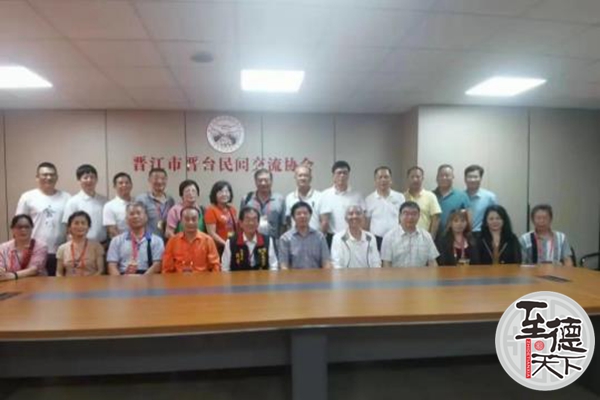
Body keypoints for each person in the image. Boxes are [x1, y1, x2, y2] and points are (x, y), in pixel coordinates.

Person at [16, 162, 70, 276]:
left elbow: (71, 226)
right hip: (33, 251)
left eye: (52, 175)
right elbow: (19, 225)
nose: (48, 178)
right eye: (44, 175)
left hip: (60, 251)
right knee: (35, 284)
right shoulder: (27, 197)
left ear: (57, 177)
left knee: (60, 284)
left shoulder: (67, 197)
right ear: (37, 177)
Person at [106, 202, 164, 275]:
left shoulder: (157, 240)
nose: (135, 216)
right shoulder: (116, 241)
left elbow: (157, 265)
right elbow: (111, 266)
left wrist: (142, 279)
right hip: (123, 277)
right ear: (126, 219)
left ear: (146, 217)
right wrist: (121, 280)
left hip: (149, 277)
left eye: (139, 213)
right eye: (131, 214)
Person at [319, 161, 365, 247]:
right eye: (339, 173)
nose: (342, 176)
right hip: (332, 237)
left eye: (345, 173)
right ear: (333, 176)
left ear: (348, 175)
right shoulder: (324, 195)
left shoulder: (357, 195)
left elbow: (362, 219)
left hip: (353, 237)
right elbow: (324, 222)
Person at [162, 207, 220, 273]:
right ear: (181, 221)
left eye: (194, 219)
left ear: (198, 221)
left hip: (202, 278)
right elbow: (167, 268)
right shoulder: (173, 241)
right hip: (179, 278)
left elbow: (215, 265)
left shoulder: (208, 240)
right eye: (186, 219)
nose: (190, 222)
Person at [381, 201, 439, 267]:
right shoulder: (389, 237)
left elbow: (432, 262)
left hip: (421, 273)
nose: (410, 217)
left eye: (414, 214)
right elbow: (386, 264)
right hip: (397, 273)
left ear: (419, 216)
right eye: (406, 213)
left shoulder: (426, 236)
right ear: (399, 216)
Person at [221, 206, 278, 271]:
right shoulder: (231, 242)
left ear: (258, 223)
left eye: (254, 220)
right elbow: (225, 268)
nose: (251, 223)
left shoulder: (268, 240)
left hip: (262, 277)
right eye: (247, 220)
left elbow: (273, 265)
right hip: (238, 277)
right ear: (240, 223)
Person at [62, 164, 108, 243]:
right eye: (85, 177)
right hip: (81, 244)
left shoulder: (104, 201)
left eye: (92, 177)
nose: (89, 180)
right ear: (79, 180)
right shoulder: (73, 202)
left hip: (103, 244)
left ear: (96, 179)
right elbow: (68, 227)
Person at [279, 202, 331, 269]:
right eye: (298, 214)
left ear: (310, 216)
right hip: (294, 275)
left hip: (316, 274)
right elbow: (284, 265)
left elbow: (326, 262)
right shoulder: (285, 238)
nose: (302, 216)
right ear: (293, 217)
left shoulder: (319, 237)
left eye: (305, 213)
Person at [365, 166, 405, 251]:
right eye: (380, 177)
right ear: (375, 181)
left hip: (396, 238)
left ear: (391, 180)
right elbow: (367, 223)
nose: (383, 180)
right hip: (376, 240)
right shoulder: (369, 199)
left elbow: (402, 219)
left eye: (386, 177)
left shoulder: (400, 197)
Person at [240, 169, 286, 240]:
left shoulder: (280, 199)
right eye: (260, 180)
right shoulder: (246, 199)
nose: (263, 183)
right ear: (255, 182)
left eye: (266, 180)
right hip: (251, 241)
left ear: (271, 181)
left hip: (273, 241)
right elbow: (241, 223)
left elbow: (283, 225)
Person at [56, 211, 105, 276]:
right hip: (69, 282)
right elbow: (59, 272)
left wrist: (89, 281)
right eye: (76, 223)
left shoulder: (97, 247)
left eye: (83, 223)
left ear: (88, 227)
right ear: (69, 227)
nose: (80, 226)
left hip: (91, 281)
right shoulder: (62, 248)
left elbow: (100, 270)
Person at [0, 214, 48, 281]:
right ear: (12, 229)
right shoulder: (3, 247)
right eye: (19, 227)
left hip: (36, 283)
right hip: (10, 283)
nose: (23, 230)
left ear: (32, 228)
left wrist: (13, 275)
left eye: (27, 227)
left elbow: (34, 270)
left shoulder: (41, 246)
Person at [135, 167, 175, 239]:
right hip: (148, 241)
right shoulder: (141, 199)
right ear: (149, 180)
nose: (159, 181)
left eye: (163, 179)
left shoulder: (170, 200)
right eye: (156, 178)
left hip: (167, 241)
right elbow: (136, 222)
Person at [404, 166, 442, 238]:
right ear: (408, 178)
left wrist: (431, 237)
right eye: (412, 177)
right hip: (405, 237)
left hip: (424, 238)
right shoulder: (402, 197)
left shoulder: (430, 196)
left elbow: (436, 219)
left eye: (418, 177)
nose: (415, 179)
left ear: (422, 178)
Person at [433, 164, 470, 235]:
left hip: (455, 238)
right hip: (432, 237)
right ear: (437, 178)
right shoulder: (430, 195)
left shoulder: (462, 196)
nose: (444, 178)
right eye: (441, 175)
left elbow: (468, 220)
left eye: (447, 175)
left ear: (453, 177)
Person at [205, 181, 237, 254]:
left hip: (232, 245)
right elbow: (211, 233)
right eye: (220, 192)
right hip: (218, 248)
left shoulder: (232, 209)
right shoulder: (211, 210)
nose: (224, 194)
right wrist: (226, 244)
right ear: (215, 194)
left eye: (227, 191)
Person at [285, 165, 321, 231]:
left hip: (315, 236)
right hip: (295, 236)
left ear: (310, 178)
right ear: (295, 178)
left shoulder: (320, 196)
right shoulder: (289, 197)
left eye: (306, 175)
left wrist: (318, 236)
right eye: (300, 175)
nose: (303, 178)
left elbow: (324, 221)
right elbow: (288, 221)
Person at [464, 164, 497, 233]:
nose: (472, 180)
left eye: (475, 177)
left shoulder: (490, 197)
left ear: (481, 178)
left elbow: (495, 218)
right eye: (469, 177)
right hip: (463, 234)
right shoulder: (460, 197)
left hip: (483, 234)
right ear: (465, 179)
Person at [103, 172, 133, 239]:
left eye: (127, 183)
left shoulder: (137, 202)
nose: (124, 185)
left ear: (131, 185)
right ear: (114, 186)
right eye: (120, 183)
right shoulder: (109, 206)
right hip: (120, 242)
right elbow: (112, 230)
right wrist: (126, 242)